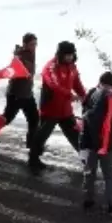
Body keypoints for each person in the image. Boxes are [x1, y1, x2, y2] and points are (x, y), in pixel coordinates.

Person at [30, 41, 86, 171]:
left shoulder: (72, 67)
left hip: (66, 110)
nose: (70, 57)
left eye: (71, 55)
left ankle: (86, 159)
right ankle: (33, 159)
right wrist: (69, 95)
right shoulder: (50, 67)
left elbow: (77, 83)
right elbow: (54, 85)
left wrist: (85, 96)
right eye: (67, 55)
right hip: (51, 109)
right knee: (42, 136)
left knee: (75, 136)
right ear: (61, 54)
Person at [80, 88, 112, 214]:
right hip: (108, 146)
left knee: (90, 173)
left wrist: (84, 145)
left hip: (93, 146)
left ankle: (88, 200)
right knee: (110, 176)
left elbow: (88, 119)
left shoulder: (96, 97)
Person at [3, 33, 39, 148]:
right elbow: (13, 71)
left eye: (35, 44)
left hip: (27, 94)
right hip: (16, 94)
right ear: (25, 44)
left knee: (34, 119)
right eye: (32, 44)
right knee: (6, 119)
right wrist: (22, 71)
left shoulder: (31, 53)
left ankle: (32, 145)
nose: (34, 47)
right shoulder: (19, 57)